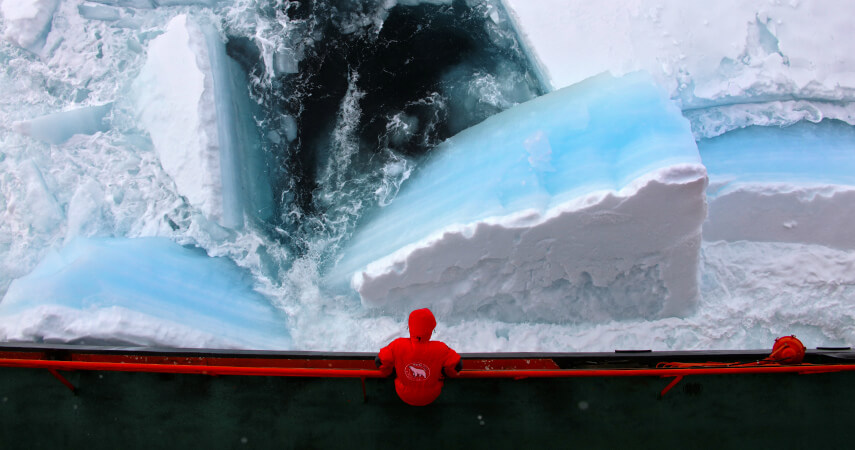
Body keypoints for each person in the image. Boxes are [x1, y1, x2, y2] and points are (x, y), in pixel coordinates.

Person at [376, 308, 462, 406]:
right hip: (431, 395)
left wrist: (391, 373)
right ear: (431, 329)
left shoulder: (397, 345)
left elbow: (380, 361)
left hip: (403, 394)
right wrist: (445, 374)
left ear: (410, 327)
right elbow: (457, 365)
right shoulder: (441, 348)